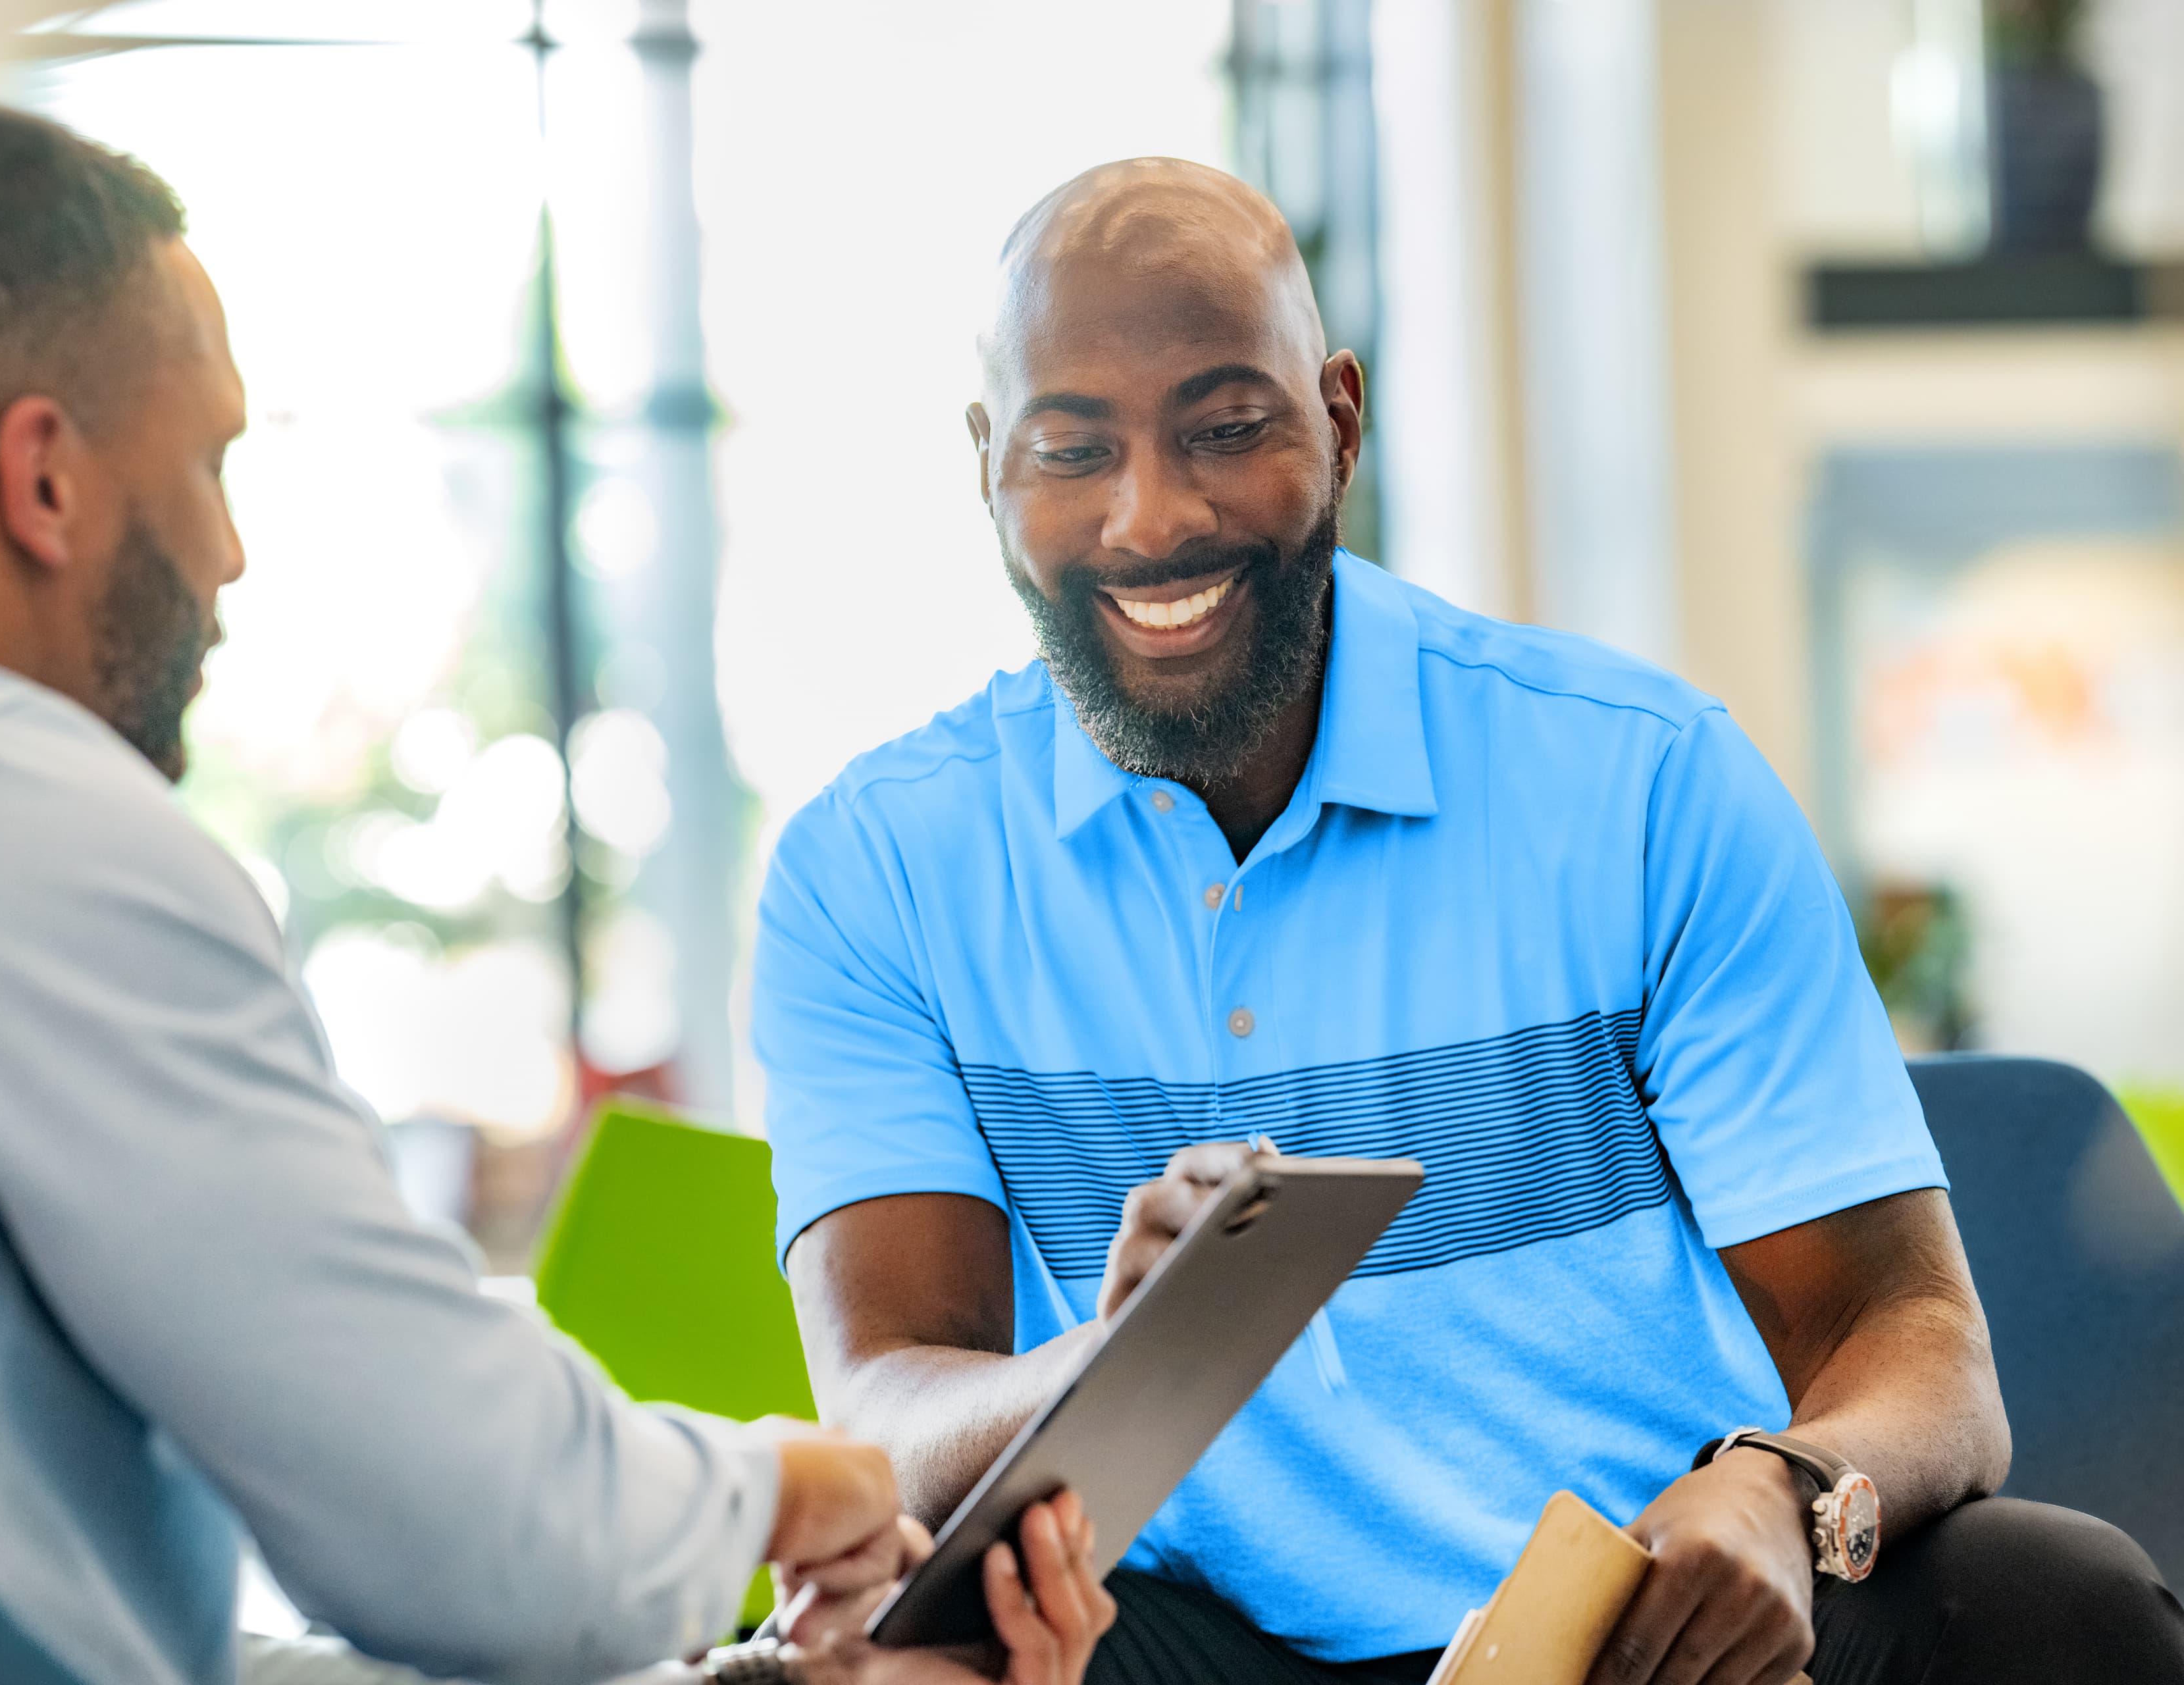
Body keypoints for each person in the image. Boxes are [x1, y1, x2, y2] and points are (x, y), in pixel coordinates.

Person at [0, 95, 1112, 1685]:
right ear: (45, 479)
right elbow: (480, 1532)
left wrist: (744, 1682)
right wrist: (789, 1482)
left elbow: (85, 1624)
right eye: (209, 461)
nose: (228, 555)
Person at [753, 157, 2184, 1685]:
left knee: (2060, 1601)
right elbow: (887, 1412)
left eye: (1228, 428)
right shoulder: (874, 871)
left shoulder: (1641, 779)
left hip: (1646, 1616)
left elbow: (1922, 1347)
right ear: (989, 465)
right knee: (898, 1658)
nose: (1152, 515)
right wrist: (1117, 1366)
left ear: (1340, 422)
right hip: (1189, 1641)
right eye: (1071, 448)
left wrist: (1779, 1488)